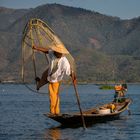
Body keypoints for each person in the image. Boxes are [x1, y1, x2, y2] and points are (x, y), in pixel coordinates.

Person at [33, 45, 76, 115]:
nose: (57, 53)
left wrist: (74, 78)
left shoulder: (64, 61)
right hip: (49, 74)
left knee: (53, 96)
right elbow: (46, 51)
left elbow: (70, 72)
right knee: (44, 76)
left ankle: (54, 112)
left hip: (55, 80)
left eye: (59, 53)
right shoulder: (53, 53)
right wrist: (37, 48)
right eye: (56, 52)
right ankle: (40, 82)